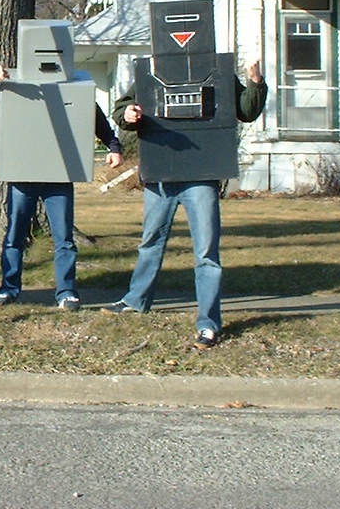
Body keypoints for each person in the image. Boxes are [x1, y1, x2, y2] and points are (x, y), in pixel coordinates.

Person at [101, 59, 267, 349]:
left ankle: (208, 323)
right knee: (150, 240)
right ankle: (136, 301)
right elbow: (121, 109)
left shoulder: (217, 69)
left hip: (201, 176)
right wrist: (127, 114)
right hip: (161, 174)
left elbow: (245, 110)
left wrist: (255, 83)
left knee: (206, 251)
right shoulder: (153, 69)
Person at [0, 64, 124, 310]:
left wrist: (113, 146)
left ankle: (67, 292)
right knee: (14, 235)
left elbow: (95, 116)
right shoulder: (17, 86)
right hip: (23, 174)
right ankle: (8, 289)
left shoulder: (73, 88)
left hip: (58, 174)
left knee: (64, 239)